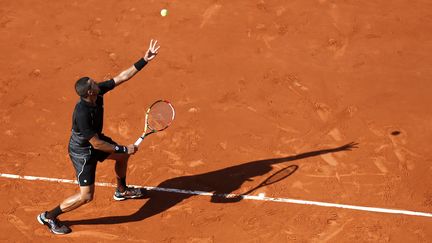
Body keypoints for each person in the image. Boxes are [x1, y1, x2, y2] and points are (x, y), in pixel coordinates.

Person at [37, 39, 160, 235]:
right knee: (87, 196)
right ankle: (49, 216)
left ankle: (121, 190)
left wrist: (144, 60)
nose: (97, 82)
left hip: (95, 141)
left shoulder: (97, 92)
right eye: (94, 83)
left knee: (122, 156)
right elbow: (95, 143)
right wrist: (122, 148)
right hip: (83, 151)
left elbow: (120, 78)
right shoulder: (82, 113)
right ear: (89, 92)